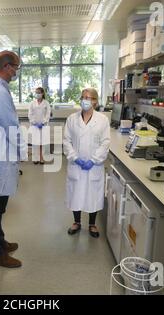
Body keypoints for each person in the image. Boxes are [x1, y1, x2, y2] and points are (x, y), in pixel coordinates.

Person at [0, 50, 26, 268]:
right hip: (1, 155)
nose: (16, 72)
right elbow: (10, 125)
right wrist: (22, 150)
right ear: (7, 66)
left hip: (0, 153)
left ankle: (0, 241)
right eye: (16, 67)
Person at [63, 88, 110, 238]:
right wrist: (74, 157)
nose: (85, 100)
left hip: (93, 165)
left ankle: (92, 224)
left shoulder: (102, 120)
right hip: (76, 164)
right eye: (83, 97)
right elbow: (66, 140)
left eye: (89, 98)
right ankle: (76, 222)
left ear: (95, 101)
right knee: (75, 192)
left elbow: (105, 142)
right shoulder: (72, 119)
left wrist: (94, 160)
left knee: (93, 194)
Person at [28, 87, 51, 164]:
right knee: (35, 142)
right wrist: (34, 123)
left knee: (42, 143)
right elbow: (30, 114)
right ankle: (35, 158)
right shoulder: (32, 103)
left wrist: (43, 122)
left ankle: (41, 158)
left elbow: (48, 114)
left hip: (43, 126)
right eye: (36, 92)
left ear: (42, 93)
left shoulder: (46, 103)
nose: (37, 94)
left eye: (39, 92)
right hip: (34, 126)